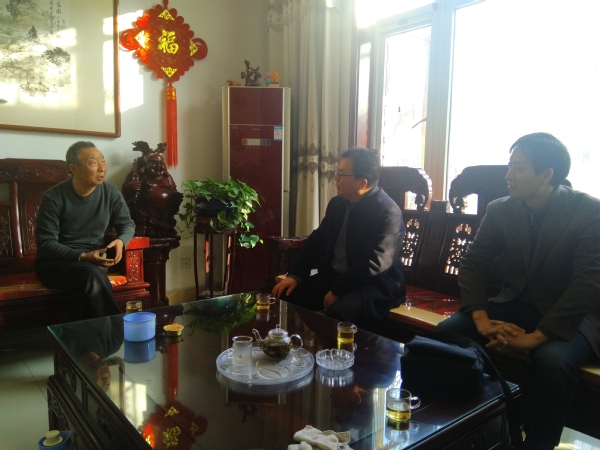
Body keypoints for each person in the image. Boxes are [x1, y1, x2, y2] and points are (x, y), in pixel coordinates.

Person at [435, 132, 600, 449]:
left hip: (572, 316)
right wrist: (482, 320)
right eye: (510, 165)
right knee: (449, 331)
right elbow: (472, 265)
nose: (508, 175)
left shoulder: (588, 212)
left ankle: (537, 443)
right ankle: (478, 422)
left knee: (552, 362)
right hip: (516, 304)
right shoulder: (501, 210)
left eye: (518, 168)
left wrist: (535, 338)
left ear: (546, 175)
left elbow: (587, 284)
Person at [271, 147, 406, 330]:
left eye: (341, 174)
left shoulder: (387, 212)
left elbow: (375, 263)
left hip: (374, 284)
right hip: (336, 277)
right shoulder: (337, 204)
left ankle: (339, 350)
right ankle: (294, 347)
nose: (336, 179)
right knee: (286, 294)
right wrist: (296, 275)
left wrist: (337, 290)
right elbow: (316, 241)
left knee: (340, 313)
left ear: (362, 183)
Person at [35, 141, 136, 321]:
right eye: (93, 163)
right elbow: (46, 244)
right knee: (91, 277)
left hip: (94, 263)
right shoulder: (53, 197)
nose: (102, 168)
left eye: (103, 161)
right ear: (74, 169)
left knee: (86, 289)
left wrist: (121, 241)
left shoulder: (110, 193)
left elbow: (127, 224)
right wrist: (83, 256)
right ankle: (118, 327)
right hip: (56, 265)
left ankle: (78, 335)